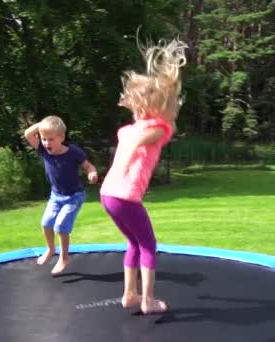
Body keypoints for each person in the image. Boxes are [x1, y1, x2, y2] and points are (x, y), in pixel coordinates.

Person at [100, 38, 187, 314]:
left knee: (133, 243)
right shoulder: (160, 129)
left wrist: (138, 107)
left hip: (107, 195)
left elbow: (139, 132)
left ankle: (129, 295)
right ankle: (148, 301)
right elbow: (160, 127)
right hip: (125, 196)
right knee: (149, 245)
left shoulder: (127, 131)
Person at [24, 115, 98, 274]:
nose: (46, 143)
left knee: (60, 226)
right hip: (55, 196)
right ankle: (50, 249)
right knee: (46, 223)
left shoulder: (73, 152)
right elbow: (28, 134)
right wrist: (42, 125)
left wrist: (92, 173)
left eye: (51, 139)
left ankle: (64, 257)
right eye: (44, 139)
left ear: (61, 137)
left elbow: (88, 166)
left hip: (74, 196)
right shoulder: (43, 151)